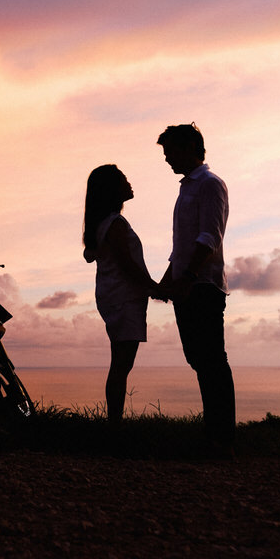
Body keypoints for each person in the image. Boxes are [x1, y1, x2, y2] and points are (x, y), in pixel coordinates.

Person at [155, 123, 235, 452]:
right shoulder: (187, 188)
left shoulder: (210, 185)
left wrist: (186, 279)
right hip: (187, 284)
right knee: (199, 359)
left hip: (202, 285)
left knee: (212, 359)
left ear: (190, 148)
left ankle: (222, 438)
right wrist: (168, 279)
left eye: (170, 151)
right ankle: (213, 434)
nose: (167, 159)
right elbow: (185, 244)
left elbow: (209, 237)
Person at [82, 164, 158, 424]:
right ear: (112, 190)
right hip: (123, 299)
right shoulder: (114, 224)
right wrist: (154, 287)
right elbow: (128, 264)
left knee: (121, 363)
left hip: (116, 297)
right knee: (121, 365)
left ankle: (115, 423)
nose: (130, 182)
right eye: (124, 179)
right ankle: (115, 424)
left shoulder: (105, 224)